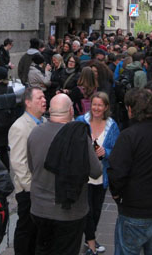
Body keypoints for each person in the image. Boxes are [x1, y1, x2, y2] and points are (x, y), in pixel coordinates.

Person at [27, 93, 102, 255]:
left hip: (40, 208)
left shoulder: (35, 133)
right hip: (70, 212)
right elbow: (96, 171)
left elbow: (32, 167)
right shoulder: (79, 136)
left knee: (43, 249)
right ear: (70, 111)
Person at [108, 89, 152, 255]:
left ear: (131, 109)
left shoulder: (129, 136)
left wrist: (117, 195)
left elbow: (117, 172)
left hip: (136, 210)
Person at [75, 92, 120, 255]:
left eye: (100, 105)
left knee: (96, 211)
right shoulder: (81, 122)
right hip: (84, 176)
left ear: (106, 107)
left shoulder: (112, 126)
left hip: (102, 177)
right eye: (94, 104)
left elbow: (117, 151)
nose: (96, 108)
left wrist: (105, 152)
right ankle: (91, 243)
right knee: (86, 210)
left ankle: (89, 238)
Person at [8, 87, 47, 255]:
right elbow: (18, 162)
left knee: (38, 231)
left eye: (44, 97)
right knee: (26, 229)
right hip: (28, 190)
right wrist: (30, 188)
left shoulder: (45, 122)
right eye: (39, 98)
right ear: (28, 102)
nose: (44, 100)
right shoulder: (20, 127)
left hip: (43, 188)